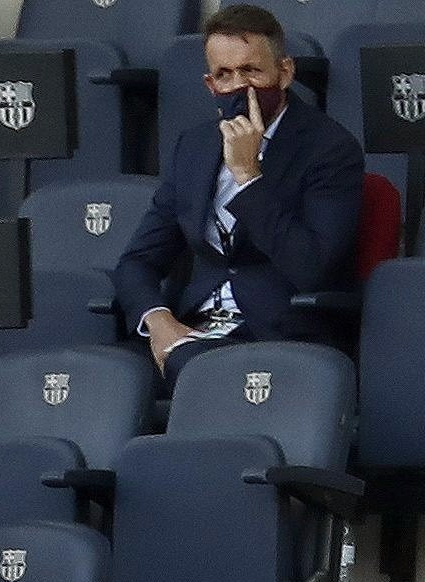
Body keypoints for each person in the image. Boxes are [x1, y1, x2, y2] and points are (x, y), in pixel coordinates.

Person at [109, 4, 365, 387]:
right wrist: (159, 320)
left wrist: (248, 176)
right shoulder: (194, 147)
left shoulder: (329, 149)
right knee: (108, 378)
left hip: (278, 329)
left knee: (194, 370)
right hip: (192, 326)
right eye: (225, 75)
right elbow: (137, 261)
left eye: (251, 71)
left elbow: (312, 266)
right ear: (211, 86)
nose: (240, 86)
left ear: (284, 73)